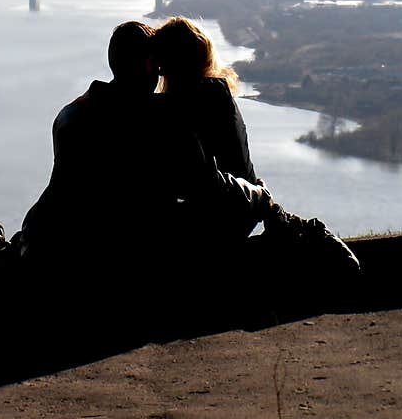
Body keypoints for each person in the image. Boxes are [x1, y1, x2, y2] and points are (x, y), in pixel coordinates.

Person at [0, 21, 272, 272]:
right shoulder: (159, 122)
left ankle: (2, 249)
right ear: (148, 64)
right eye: (157, 65)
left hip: (46, 243)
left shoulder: (72, 114)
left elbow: (65, 194)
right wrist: (260, 197)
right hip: (119, 256)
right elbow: (206, 184)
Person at [152, 16, 361, 278]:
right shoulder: (216, 93)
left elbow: (196, 179)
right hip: (241, 208)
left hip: (225, 212)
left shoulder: (186, 101)